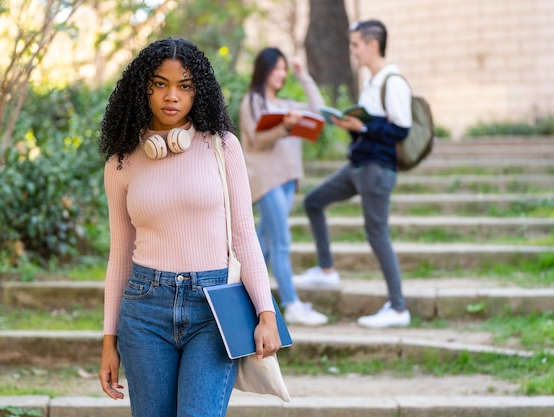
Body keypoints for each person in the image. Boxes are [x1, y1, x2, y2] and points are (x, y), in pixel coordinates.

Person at [97, 37, 281, 417]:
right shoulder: (121, 163)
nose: (172, 96)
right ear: (143, 87)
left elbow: (244, 236)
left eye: (184, 86)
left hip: (214, 308)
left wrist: (267, 314)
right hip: (144, 309)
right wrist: (108, 341)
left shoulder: (223, 146)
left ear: (198, 91)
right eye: (160, 83)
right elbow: (119, 256)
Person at [293, 20, 412, 329]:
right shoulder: (372, 82)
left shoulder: (392, 81)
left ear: (373, 45)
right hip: (357, 166)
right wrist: (352, 127)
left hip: (377, 169)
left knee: (377, 234)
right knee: (314, 201)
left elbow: (401, 128)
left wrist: (363, 126)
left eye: (356, 44)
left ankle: (398, 308)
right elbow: (370, 129)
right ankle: (327, 269)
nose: (353, 51)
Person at [239, 47, 329, 326]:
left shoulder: (285, 103)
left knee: (263, 244)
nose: (281, 74)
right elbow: (255, 140)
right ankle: (291, 304)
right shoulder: (252, 101)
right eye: (277, 68)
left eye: (284, 69)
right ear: (264, 69)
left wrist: (303, 76)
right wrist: (285, 128)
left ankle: (245, 302)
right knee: (281, 244)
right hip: (267, 181)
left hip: (289, 180)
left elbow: (318, 111)